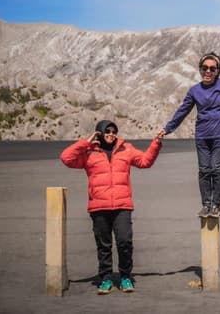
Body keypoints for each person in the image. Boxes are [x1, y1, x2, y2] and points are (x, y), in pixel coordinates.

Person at [60, 120, 165, 294]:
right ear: (99, 133)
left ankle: (125, 277)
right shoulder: (88, 153)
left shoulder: (126, 149)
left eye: (113, 131)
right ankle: (106, 278)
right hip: (99, 206)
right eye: (107, 131)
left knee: (124, 242)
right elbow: (66, 158)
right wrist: (86, 142)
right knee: (104, 245)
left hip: (122, 205)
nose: (111, 134)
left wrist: (156, 143)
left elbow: (145, 161)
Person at [159, 52, 220, 218]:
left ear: (217, 71)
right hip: (202, 136)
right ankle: (206, 204)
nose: (208, 71)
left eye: (212, 69)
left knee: (216, 168)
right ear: (200, 69)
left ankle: (216, 205)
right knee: (204, 169)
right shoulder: (195, 91)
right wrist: (168, 129)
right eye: (204, 68)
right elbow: (182, 111)